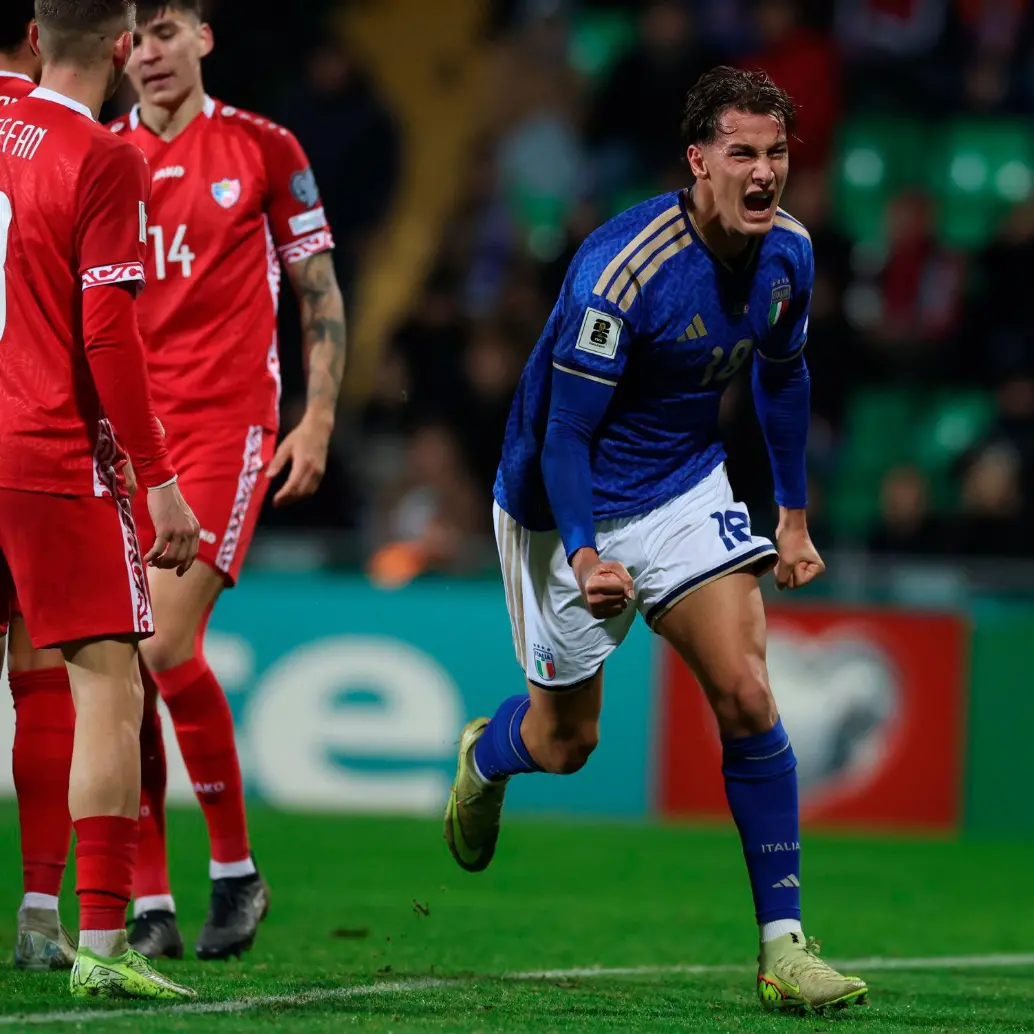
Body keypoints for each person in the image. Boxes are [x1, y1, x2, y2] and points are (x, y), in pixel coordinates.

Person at [443, 67, 870, 1014]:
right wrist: (590, 553)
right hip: (564, 505)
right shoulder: (621, 269)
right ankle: (490, 754)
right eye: (743, 154)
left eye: (778, 155)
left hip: (682, 484)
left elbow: (783, 377)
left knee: (751, 694)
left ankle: (784, 948)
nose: (764, 174)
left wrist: (792, 515)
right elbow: (565, 432)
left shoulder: (789, 254)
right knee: (568, 744)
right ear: (699, 161)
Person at [109, 0, 346, 961]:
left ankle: (238, 871)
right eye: (136, 38)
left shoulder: (262, 147)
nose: (151, 54)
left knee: (164, 643)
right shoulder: (98, 158)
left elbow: (318, 289)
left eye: (168, 32)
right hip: (122, 441)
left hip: (224, 428)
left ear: (203, 38)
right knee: (117, 666)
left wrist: (318, 416)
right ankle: (154, 903)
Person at [0, 0, 200, 1000]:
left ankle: (50, 919)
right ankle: (101, 947)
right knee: (107, 686)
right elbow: (109, 334)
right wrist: (159, 479)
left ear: (37, 33)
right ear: (124, 48)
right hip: (46, 453)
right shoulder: (101, 156)